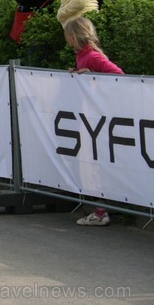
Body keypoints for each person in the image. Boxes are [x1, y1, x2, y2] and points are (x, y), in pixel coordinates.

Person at [63, 17, 124, 226]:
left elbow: (119, 76)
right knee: (93, 165)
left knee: (96, 165)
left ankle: (101, 212)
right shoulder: (84, 55)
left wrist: (93, 76)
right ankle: (101, 210)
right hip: (92, 118)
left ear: (73, 37)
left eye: (67, 37)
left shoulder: (92, 56)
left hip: (98, 118)